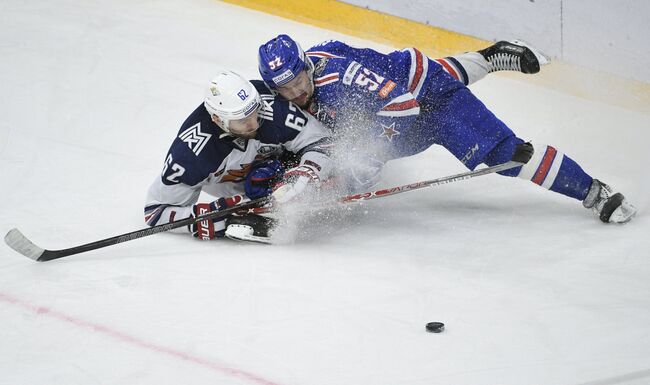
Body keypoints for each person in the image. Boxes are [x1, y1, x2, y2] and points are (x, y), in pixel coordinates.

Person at [256, 35, 636, 223]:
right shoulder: (304, 77)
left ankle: (595, 192)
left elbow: (404, 106)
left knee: (505, 155)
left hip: (431, 104)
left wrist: (369, 155)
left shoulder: (340, 79)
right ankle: (487, 57)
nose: (296, 92)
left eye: (299, 81)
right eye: (284, 89)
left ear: (308, 65)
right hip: (410, 78)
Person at [144, 69, 335, 243]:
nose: (254, 124)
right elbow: (155, 212)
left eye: (254, 112)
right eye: (243, 120)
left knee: (327, 169)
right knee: (258, 181)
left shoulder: (272, 110)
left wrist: (307, 171)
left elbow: (323, 141)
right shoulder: (191, 153)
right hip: (235, 186)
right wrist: (201, 219)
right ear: (218, 119)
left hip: (284, 161)